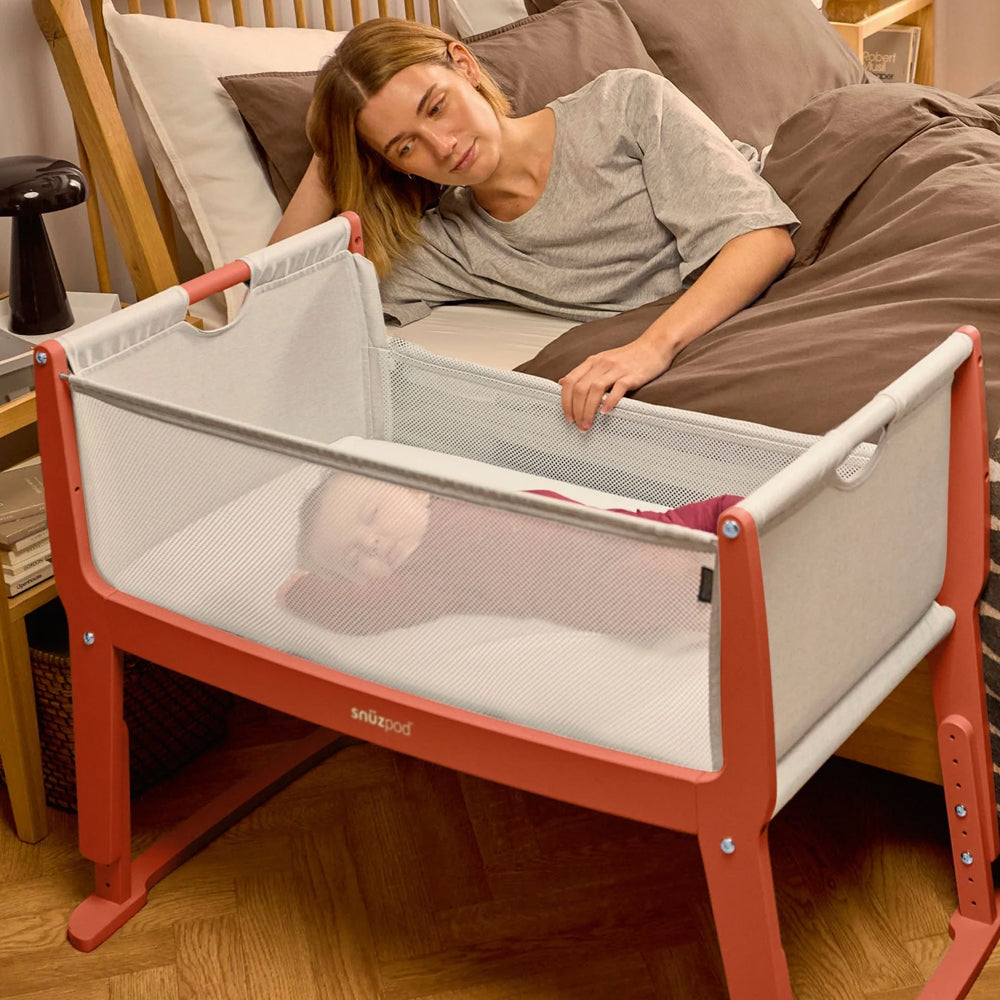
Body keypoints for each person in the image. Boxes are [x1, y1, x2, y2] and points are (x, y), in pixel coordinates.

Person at [271, 18, 798, 432]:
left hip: (802, 209)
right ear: (393, 166)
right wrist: (328, 161)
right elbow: (274, 304)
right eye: (406, 146)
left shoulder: (623, 104)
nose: (443, 146)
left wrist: (650, 348)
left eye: (437, 107)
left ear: (464, 66)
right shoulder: (449, 246)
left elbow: (763, 239)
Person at [283, 468, 740, 638]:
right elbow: (365, 612)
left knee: (722, 510)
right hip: (591, 585)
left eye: (371, 515)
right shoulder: (424, 575)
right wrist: (301, 592)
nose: (372, 542)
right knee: (657, 575)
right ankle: (716, 598)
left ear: (414, 490)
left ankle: (758, 533)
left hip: (626, 526)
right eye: (352, 558)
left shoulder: (455, 492)